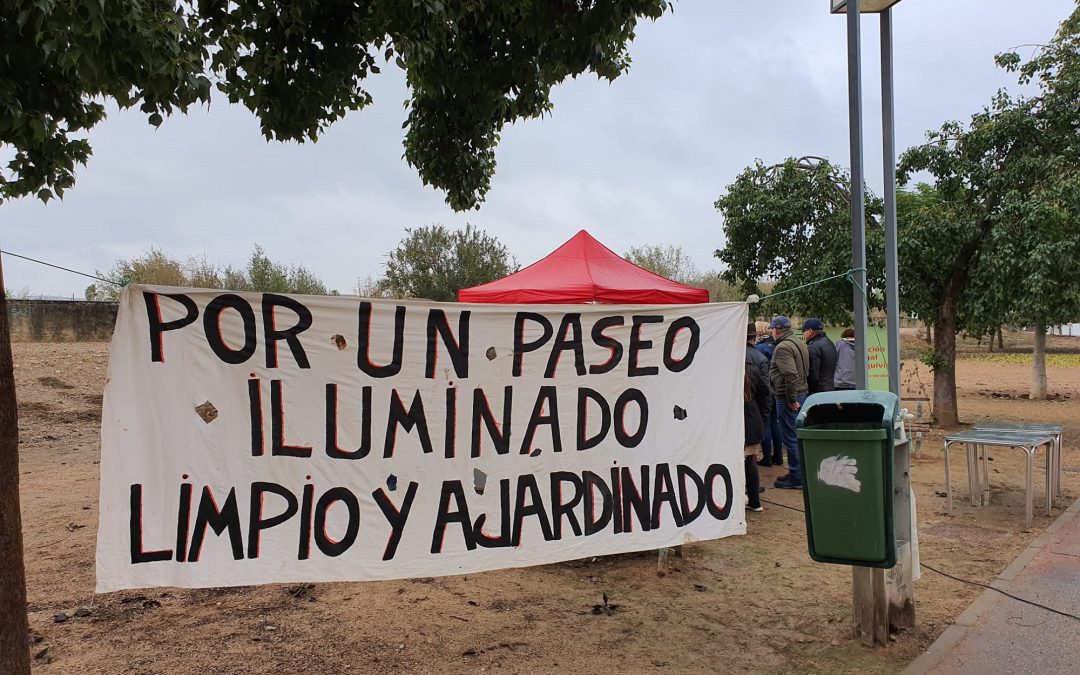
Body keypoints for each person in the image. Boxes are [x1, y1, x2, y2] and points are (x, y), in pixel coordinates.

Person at [768, 316, 809, 489]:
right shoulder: (798, 342)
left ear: (777, 330)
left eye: (772, 329)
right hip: (800, 393)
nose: (771, 332)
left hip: (788, 397)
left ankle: (797, 477)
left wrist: (791, 400)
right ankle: (796, 472)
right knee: (795, 436)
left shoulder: (783, 347)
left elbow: (791, 374)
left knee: (791, 437)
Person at [753, 321, 783, 466]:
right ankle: (778, 456)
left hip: (766, 389)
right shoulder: (777, 345)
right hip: (777, 388)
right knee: (775, 423)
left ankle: (767, 458)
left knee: (765, 423)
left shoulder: (759, 348)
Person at [743, 369, 770, 513]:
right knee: (751, 462)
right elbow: (765, 393)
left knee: (736, 464)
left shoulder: (725, 370)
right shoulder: (752, 369)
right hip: (752, 422)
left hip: (737, 424)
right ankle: (755, 501)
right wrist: (762, 417)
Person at [800, 318, 837, 394]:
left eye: (803, 331)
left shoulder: (813, 347)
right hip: (830, 387)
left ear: (810, 331)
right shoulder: (830, 343)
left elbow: (813, 373)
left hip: (818, 391)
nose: (803, 333)